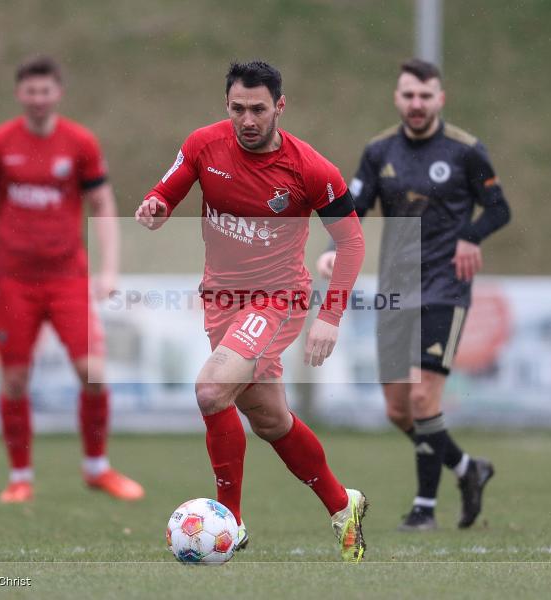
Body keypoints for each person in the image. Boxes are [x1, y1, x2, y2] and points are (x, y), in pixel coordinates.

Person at [135, 61, 369, 562]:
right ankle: (341, 504)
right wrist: (155, 207)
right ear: (227, 105)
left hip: (278, 299)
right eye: (238, 108)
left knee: (212, 389)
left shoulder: (310, 169)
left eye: (258, 109)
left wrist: (329, 316)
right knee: (269, 419)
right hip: (221, 301)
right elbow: (166, 192)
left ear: (279, 107)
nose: (247, 119)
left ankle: (230, 523)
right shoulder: (203, 145)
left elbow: (351, 241)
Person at [317, 58, 511, 531]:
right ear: (397, 98)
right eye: (409, 95)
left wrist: (471, 235)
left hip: (445, 288)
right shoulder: (378, 150)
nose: (417, 104)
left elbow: (498, 208)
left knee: (425, 399)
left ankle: (424, 507)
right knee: (397, 409)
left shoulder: (466, 151)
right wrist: (330, 250)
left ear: (440, 99)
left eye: (426, 96)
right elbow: (354, 209)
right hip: (396, 289)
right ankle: (468, 468)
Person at [0, 56, 144, 504]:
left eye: (46, 91)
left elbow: (102, 204)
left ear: (58, 92)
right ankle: (20, 477)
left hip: (67, 279)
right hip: (14, 282)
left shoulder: (80, 142)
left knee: (94, 374)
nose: (38, 99)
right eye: (31, 91)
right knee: (15, 380)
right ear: (19, 94)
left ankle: (97, 469)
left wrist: (108, 269)